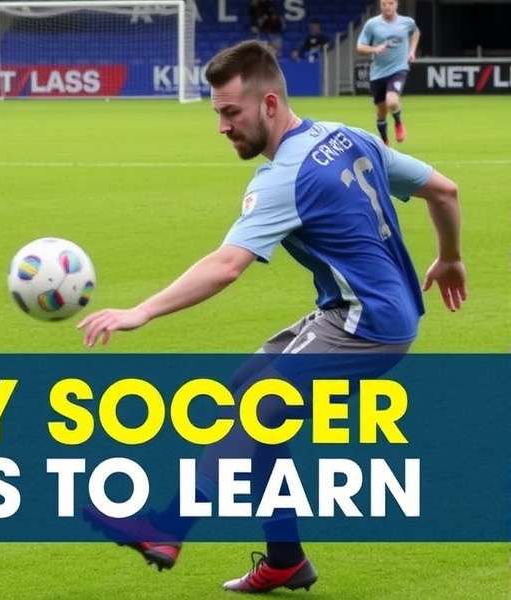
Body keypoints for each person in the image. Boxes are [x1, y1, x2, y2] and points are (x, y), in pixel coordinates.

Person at [78, 40, 465, 594]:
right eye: (217, 113)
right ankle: (285, 558)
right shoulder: (350, 135)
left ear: (269, 104)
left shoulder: (283, 178)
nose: (221, 126)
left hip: (365, 326)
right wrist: (450, 257)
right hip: (361, 312)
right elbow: (444, 191)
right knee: (247, 398)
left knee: (254, 414)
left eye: (231, 112)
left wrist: (141, 311)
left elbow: (226, 266)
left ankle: (166, 528)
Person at [356, 0, 420, 145]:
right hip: (378, 73)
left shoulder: (407, 22)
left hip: (398, 69)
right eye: (384, 4)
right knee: (381, 112)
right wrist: (374, 49)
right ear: (380, 5)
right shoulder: (372, 24)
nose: (387, 7)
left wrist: (412, 51)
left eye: (390, 3)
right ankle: (384, 142)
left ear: (396, 4)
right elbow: (360, 47)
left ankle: (398, 122)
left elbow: (415, 32)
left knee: (392, 101)